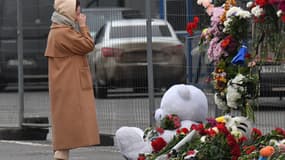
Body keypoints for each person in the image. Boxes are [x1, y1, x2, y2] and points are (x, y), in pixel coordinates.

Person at [44, 0, 100, 159]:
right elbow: (88, 45)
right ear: (68, 12)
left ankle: (62, 151)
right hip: (69, 83)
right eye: (76, 11)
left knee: (67, 118)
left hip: (67, 82)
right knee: (69, 118)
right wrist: (83, 25)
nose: (79, 14)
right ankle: (61, 150)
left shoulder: (60, 30)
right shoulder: (63, 32)